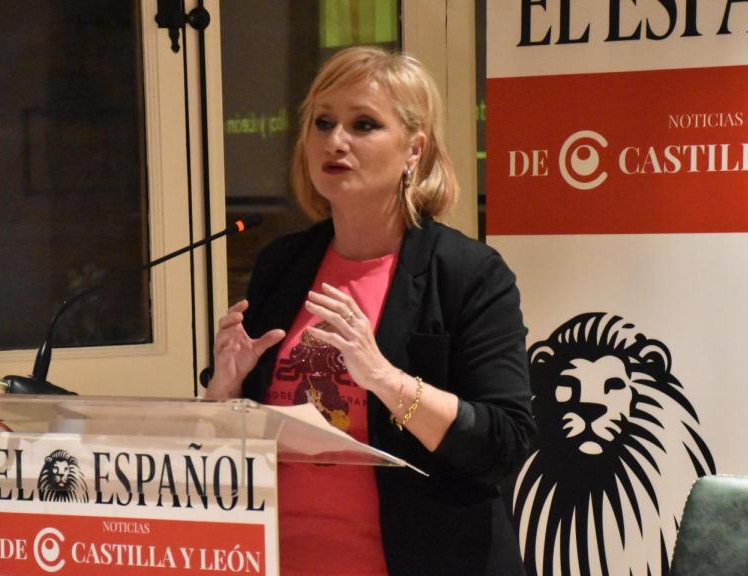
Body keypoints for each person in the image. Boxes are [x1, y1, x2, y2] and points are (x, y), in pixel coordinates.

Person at [205, 46, 534, 576]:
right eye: (322, 122)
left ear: (413, 150)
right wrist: (224, 391)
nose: (335, 141)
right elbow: (227, 444)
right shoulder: (283, 265)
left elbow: (502, 443)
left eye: (363, 124)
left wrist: (383, 378)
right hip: (279, 560)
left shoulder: (467, 273)